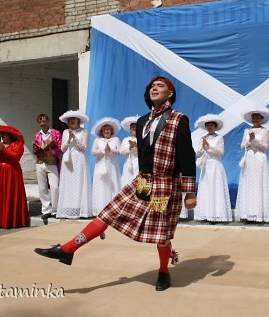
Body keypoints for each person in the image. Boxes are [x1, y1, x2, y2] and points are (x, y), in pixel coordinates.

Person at [35, 76, 197, 292]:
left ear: (170, 94)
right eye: (152, 86)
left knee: (162, 232)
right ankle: (68, 249)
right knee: (109, 212)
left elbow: (187, 154)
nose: (154, 88)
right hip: (143, 181)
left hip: (165, 184)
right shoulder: (141, 123)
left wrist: (190, 192)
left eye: (160, 86)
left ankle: (163, 271)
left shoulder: (179, 119)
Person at [235, 108, 269, 223]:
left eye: (257, 117)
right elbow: (243, 145)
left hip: (260, 159)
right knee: (249, 185)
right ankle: (248, 213)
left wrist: (254, 140)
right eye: (254, 117)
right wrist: (249, 141)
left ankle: (259, 214)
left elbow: (265, 146)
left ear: (261, 119)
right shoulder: (247, 130)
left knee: (259, 184)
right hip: (249, 159)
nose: (255, 119)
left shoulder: (265, 131)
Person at [0, 125, 29, 229]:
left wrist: (3, 150)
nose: (2, 136)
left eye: (4, 135)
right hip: (1, 173)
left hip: (13, 172)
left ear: (10, 136)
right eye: (1, 135)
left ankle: (14, 220)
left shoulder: (17, 145)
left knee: (13, 194)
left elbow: (15, 157)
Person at [193, 114, 232, 223]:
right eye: (208, 125)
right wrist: (202, 146)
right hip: (206, 166)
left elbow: (220, 152)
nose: (210, 127)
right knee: (207, 188)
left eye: (211, 125)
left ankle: (217, 215)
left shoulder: (219, 137)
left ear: (215, 126)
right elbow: (199, 152)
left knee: (216, 188)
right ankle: (206, 214)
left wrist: (208, 146)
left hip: (215, 165)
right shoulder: (203, 138)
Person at [56, 110, 93, 219]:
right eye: (71, 119)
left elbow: (84, 148)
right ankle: (68, 208)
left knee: (79, 182)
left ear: (78, 121)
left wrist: (75, 138)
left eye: (74, 119)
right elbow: (62, 149)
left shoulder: (84, 132)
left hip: (79, 160)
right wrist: (68, 140)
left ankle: (80, 209)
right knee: (68, 184)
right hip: (68, 160)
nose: (72, 121)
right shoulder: (65, 132)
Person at [91, 117, 121, 216]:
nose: (106, 131)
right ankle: (100, 208)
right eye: (104, 130)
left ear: (111, 130)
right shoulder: (97, 140)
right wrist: (102, 150)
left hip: (112, 166)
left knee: (112, 186)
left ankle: (113, 209)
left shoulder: (115, 139)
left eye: (108, 129)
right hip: (100, 166)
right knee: (101, 185)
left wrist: (110, 150)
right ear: (101, 131)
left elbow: (120, 152)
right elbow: (93, 152)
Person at [33, 114, 62, 219]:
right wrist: (36, 149)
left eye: (44, 121)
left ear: (48, 121)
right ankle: (46, 210)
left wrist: (53, 151)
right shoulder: (37, 135)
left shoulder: (55, 133)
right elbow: (35, 150)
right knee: (42, 187)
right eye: (40, 122)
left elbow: (60, 146)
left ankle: (55, 210)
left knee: (54, 187)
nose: (42, 123)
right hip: (40, 162)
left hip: (51, 162)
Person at [119, 116, 140, 188]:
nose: (134, 128)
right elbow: (121, 152)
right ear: (130, 129)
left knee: (137, 181)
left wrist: (137, 146)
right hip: (128, 164)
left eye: (136, 127)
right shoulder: (126, 139)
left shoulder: (142, 140)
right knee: (127, 182)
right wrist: (130, 147)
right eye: (132, 127)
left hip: (138, 163)